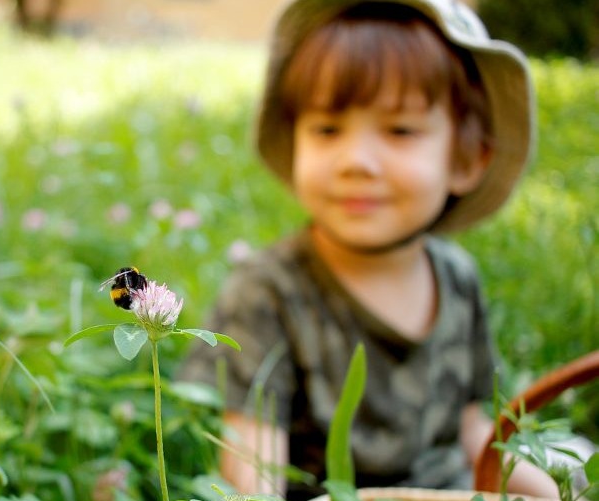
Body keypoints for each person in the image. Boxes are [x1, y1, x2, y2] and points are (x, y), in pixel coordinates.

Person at [179, 0, 560, 498]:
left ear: (468, 159)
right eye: (326, 129)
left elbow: (472, 431)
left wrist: (546, 490)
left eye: (400, 130)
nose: (355, 161)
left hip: (454, 488)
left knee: (572, 466)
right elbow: (254, 477)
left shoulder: (457, 277)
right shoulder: (267, 292)